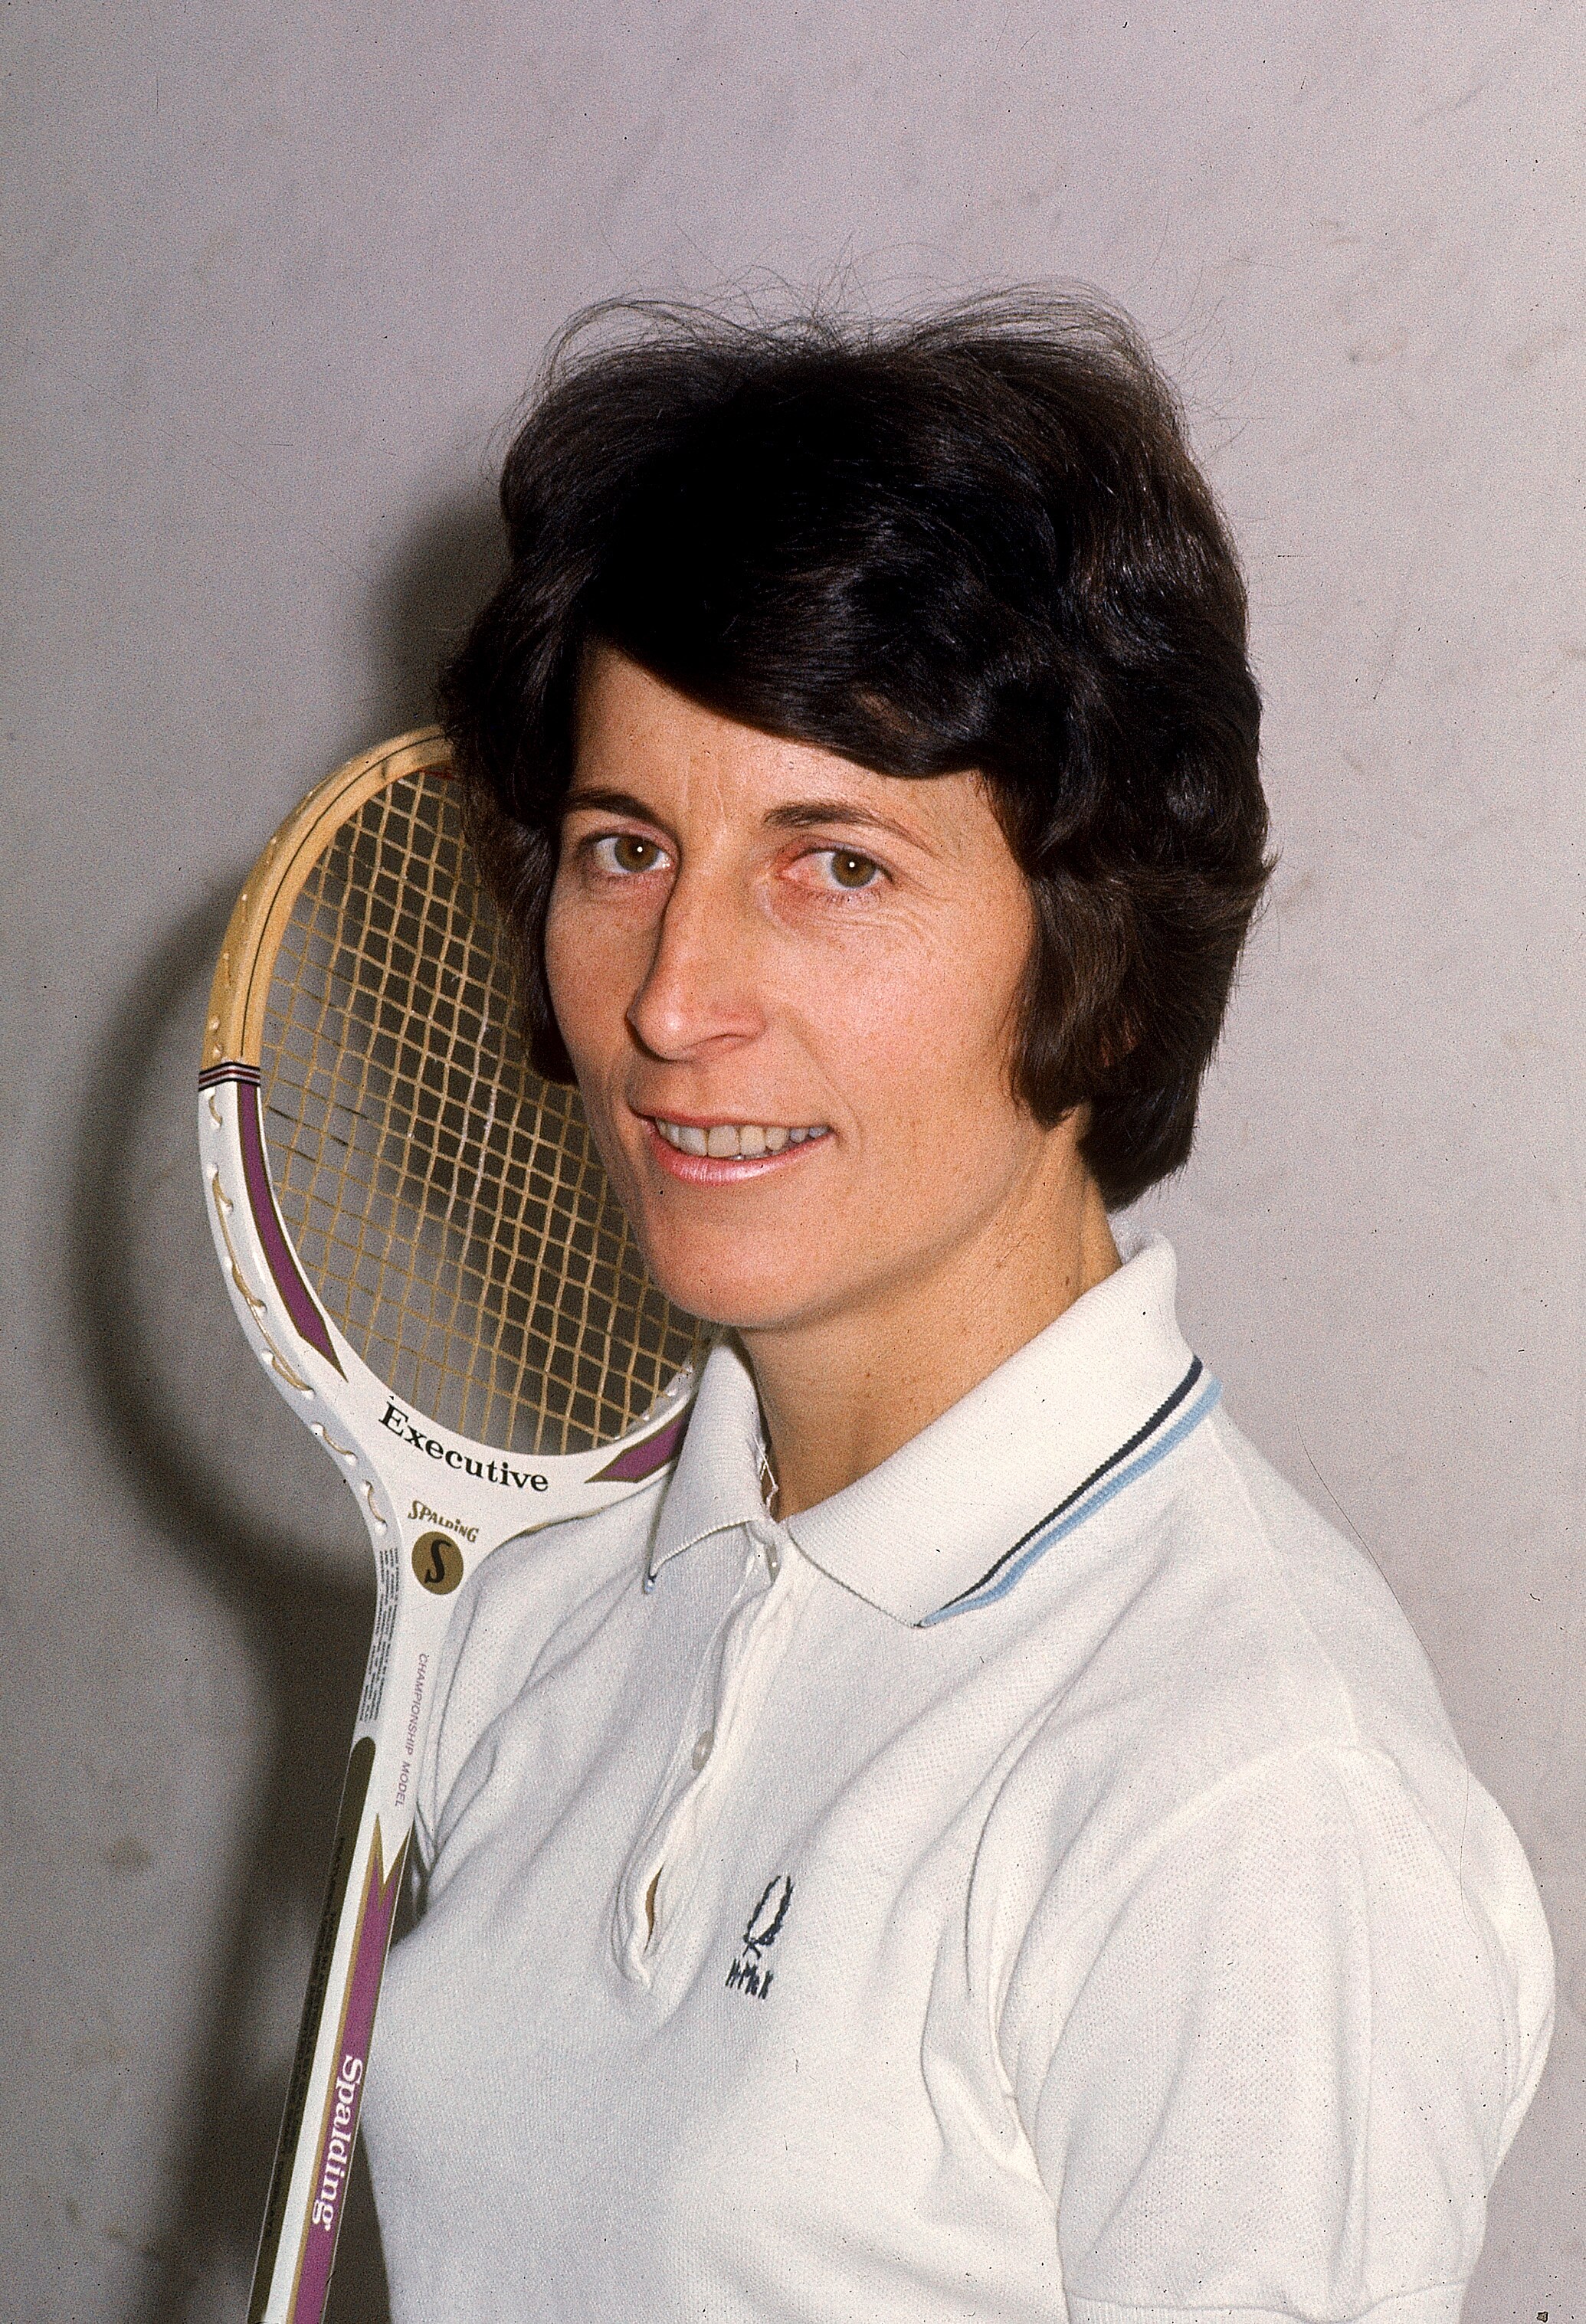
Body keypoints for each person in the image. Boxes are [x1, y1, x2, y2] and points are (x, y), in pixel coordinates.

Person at [359, 297, 1553, 2322]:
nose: (670, 996)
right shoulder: (553, 1610)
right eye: (623, 846)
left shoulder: (1247, 1794)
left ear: (1091, 942)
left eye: (833, 865)